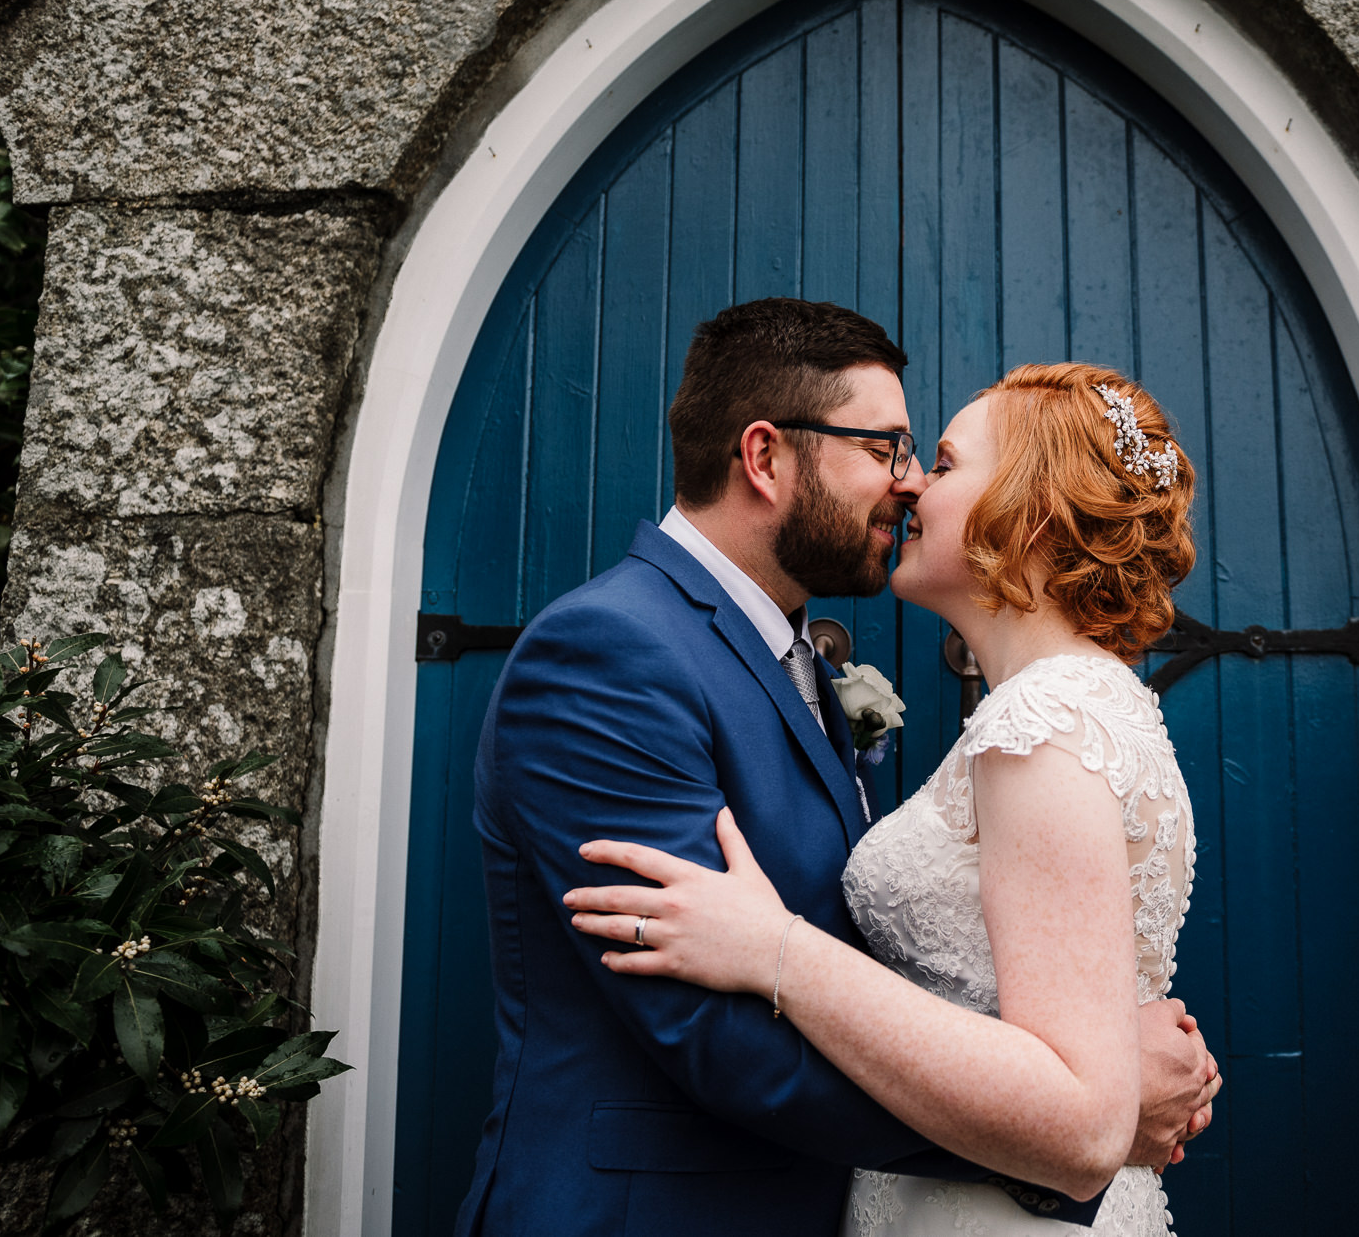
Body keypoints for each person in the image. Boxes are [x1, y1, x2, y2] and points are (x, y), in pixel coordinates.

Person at [456, 302, 1217, 1237]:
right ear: (767, 457)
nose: (907, 484)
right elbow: (716, 1033)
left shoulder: (820, 670)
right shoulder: (605, 653)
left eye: (928, 459)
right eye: (890, 448)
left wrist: (1077, 1099)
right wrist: (1076, 1121)